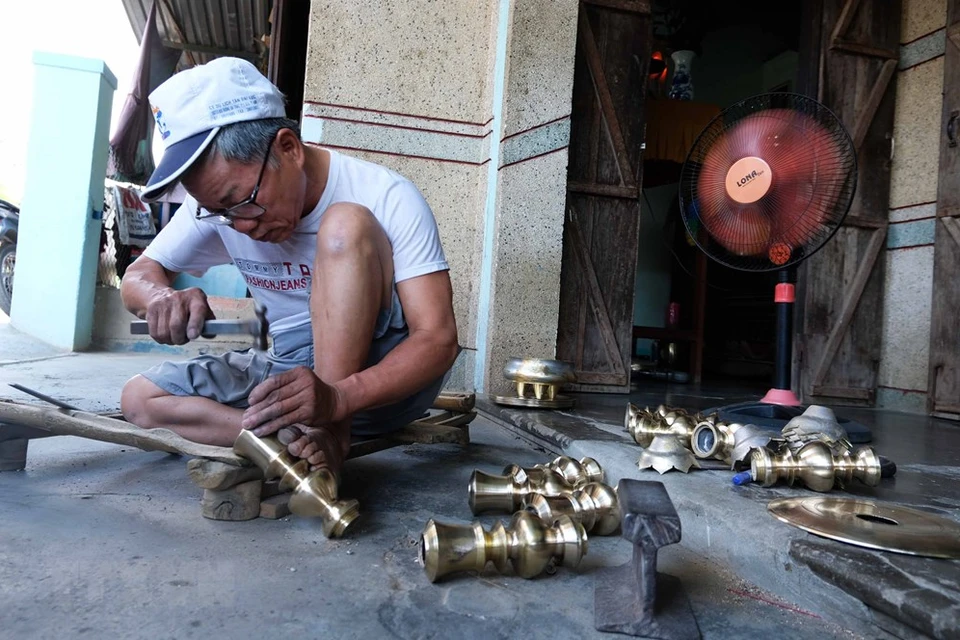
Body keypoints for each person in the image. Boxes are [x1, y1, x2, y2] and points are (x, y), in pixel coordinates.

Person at [119, 57, 459, 475]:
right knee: (140, 399)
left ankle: (332, 431)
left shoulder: (385, 194)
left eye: (242, 202)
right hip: (287, 366)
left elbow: (438, 340)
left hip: (374, 382)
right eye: (219, 212)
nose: (240, 225)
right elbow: (138, 276)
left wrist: (337, 399)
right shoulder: (217, 206)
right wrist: (162, 296)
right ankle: (288, 440)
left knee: (344, 225)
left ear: (289, 148)